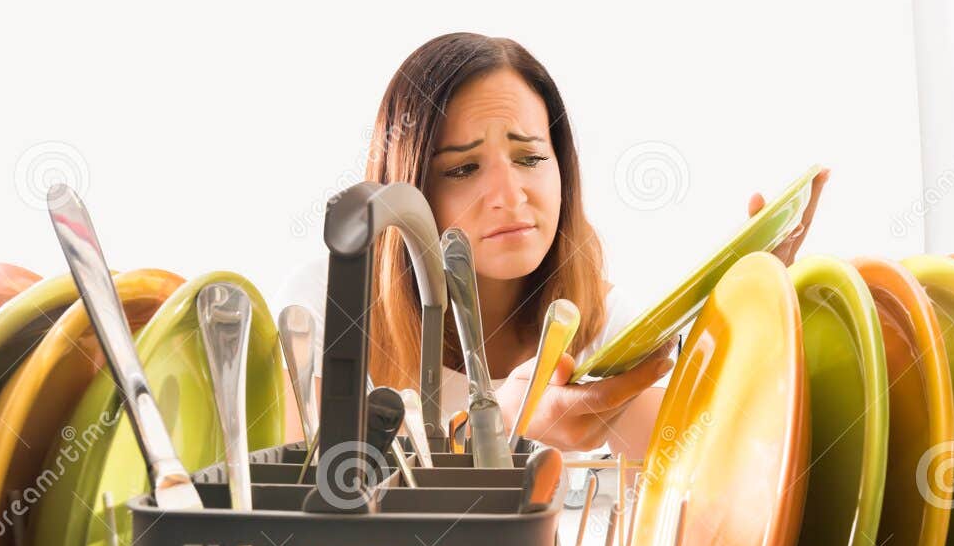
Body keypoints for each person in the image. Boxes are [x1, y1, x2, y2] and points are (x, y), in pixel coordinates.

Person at [280, 32, 824, 458]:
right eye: (465, 168)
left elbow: (699, 476)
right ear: (412, 188)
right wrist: (495, 427)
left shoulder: (601, 323)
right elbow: (299, 519)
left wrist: (748, 319)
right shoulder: (330, 301)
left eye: (530, 158)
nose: (509, 195)